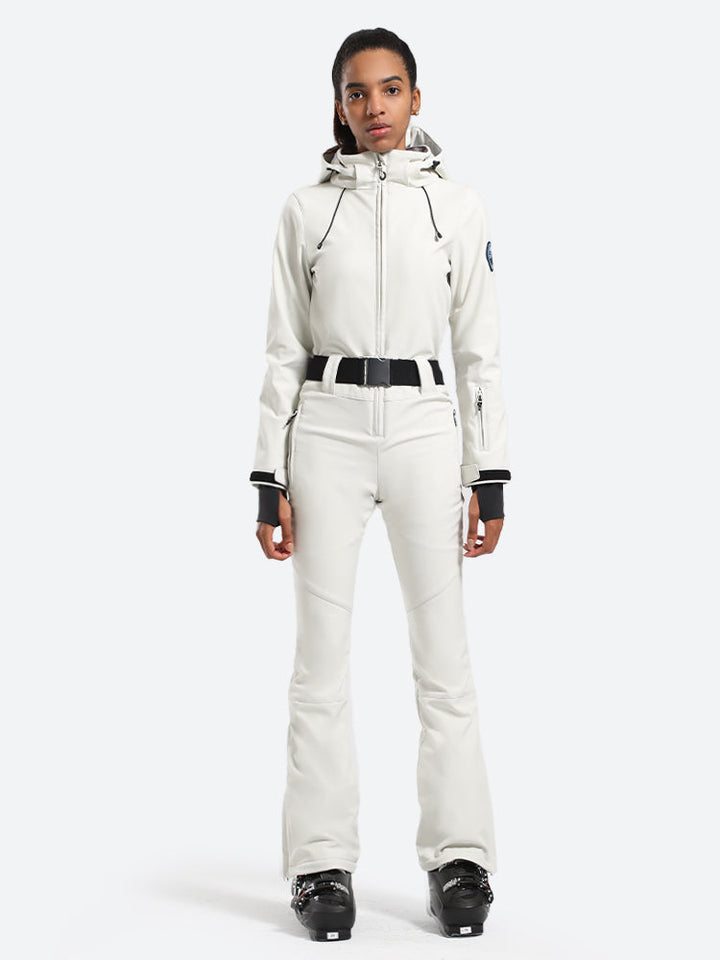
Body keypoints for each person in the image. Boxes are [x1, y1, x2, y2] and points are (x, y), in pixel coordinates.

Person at [249, 27, 511, 941]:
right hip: (325, 429)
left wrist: (488, 473)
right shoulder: (306, 211)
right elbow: (283, 347)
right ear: (339, 105)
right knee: (319, 661)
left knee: (445, 659)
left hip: (426, 431)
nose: (375, 108)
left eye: (390, 89)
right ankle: (320, 866)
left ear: (416, 97)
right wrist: (268, 474)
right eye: (357, 93)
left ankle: (460, 860)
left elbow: (479, 349)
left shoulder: (456, 207)